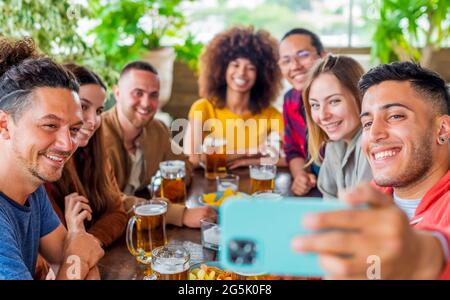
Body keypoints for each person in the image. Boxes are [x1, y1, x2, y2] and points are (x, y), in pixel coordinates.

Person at [292, 61, 450, 279]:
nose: (374, 133)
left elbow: (432, 253)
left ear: (442, 129)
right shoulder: (369, 198)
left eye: (395, 116)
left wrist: (425, 258)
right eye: (367, 123)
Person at [0, 38, 103, 279]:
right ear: (4, 124)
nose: (68, 144)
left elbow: (83, 257)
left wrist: (75, 258)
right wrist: (76, 258)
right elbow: (78, 257)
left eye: (74, 130)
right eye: (49, 125)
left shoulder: (31, 187)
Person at [102, 61, 215, 227]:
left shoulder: (158, 129)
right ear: (117, 93)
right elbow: (107, 200)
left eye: (153, 95)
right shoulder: (96, 136)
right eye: (138, 93)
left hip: (141, 226)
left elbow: (185, 165)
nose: (146, 103)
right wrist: (179, 214)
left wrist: (167, 187)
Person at [45, 64, 127, 248]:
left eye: (99, 111)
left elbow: (117, 213)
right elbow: (56, 248)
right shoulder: (45, 165)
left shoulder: (94, 153)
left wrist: (89, 242)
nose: (93, 120)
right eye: (83, 106)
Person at [184, 26, 285, 170]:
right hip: (214, 187)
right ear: (222, 69)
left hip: (253, 188)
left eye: (251, 68)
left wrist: (252, 161)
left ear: (262, 75)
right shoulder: (204, 107)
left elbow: (294, 158)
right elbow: (191, 158)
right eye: (235, 65)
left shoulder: (271, 114)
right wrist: (249, 152)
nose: (242, 73)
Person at [302, 55, 372, 199]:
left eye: (334, 101)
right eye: (315, 105)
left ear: (360, 96)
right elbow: (328, 198)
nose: (322, 115)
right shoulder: (335, 145)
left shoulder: (371, 143)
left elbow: (362, 212)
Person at [278, 28, 326, 196]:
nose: (295, 66)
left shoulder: (344, 100)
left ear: (323, 55)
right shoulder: (290, 99)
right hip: (315, 188)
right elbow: (293, 149)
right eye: (286, 61)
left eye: (303, 55)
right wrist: (300, 175)